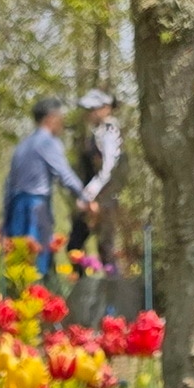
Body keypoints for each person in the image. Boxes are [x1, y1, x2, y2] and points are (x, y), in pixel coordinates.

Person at [1, 96, 91, 252]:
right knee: (37, 255)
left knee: (18, 257)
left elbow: (9, 182)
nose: (62, 122)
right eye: (60, 118)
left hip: (16, 205)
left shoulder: (23, 145)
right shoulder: (48, 143)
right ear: (51, 118)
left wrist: (7, 215)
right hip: (37, 205)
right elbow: (65, 175)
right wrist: (86, 197)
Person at [67, 90, 126, 267]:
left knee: (105, 247)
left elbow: (107, 169)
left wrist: (90, 196)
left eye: (93, 109)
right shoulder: (98, 132)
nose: (89, 113)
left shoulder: (110, 132)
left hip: (104, 199)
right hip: (96, 198)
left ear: (106, 108)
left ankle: (112, 289)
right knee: (76, 245)